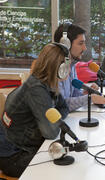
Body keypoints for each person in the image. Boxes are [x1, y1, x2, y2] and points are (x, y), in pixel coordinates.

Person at [0, 43, 71, 177]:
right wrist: (51, 121)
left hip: (26, 147)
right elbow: (51, 132)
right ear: (59, 67)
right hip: (13, 156)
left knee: (66, 157)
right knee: (63, 167)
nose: (69, 69)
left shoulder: (48, 83)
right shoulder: (36, 89)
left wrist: (52, 119)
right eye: (67, 65)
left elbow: (64, 107)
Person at [54, 23, 105, 111]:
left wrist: (85, 93)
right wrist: (90, 98)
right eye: (80, 43)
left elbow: (72, 94)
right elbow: (60, 104)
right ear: (65, 45)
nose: (84, 48)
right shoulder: (54, 68)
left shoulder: (71, 65)